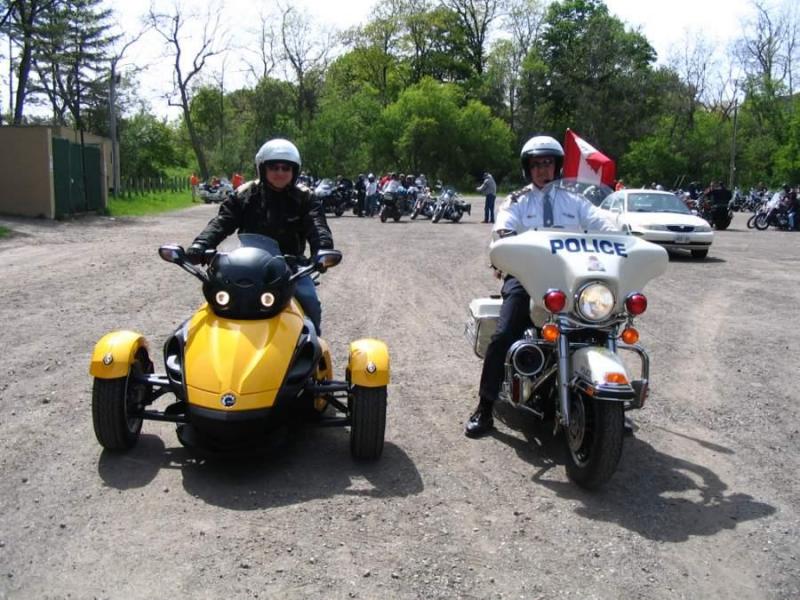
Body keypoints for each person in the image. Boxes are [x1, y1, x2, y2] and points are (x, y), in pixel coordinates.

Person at [464, 135, 617, 438]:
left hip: (571, 282)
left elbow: (603, 224)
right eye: (536, 164)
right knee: (503, 335)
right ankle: (485, 407)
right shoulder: (517, 201)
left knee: (602, 328)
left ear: (557, 166)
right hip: (526, 278)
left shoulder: (576, 201)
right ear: (527, 168)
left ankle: (609, 404)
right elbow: (503, 230)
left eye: (547, 163)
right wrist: (503, 247)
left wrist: (622, 231)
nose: (542, 169)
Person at [187, 138, 334, 335]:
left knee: (310, 302)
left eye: (286, 168)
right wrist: (201, 244)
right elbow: (222, 222)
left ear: (294, 171)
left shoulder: (306, 197)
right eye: (274, 167)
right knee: (210, 309)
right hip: (246, 267)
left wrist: (322, 251)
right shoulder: (245, 194)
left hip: (292, 268)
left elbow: (317, 226)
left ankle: (313, 353)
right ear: (262, 168)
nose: (280, 172)